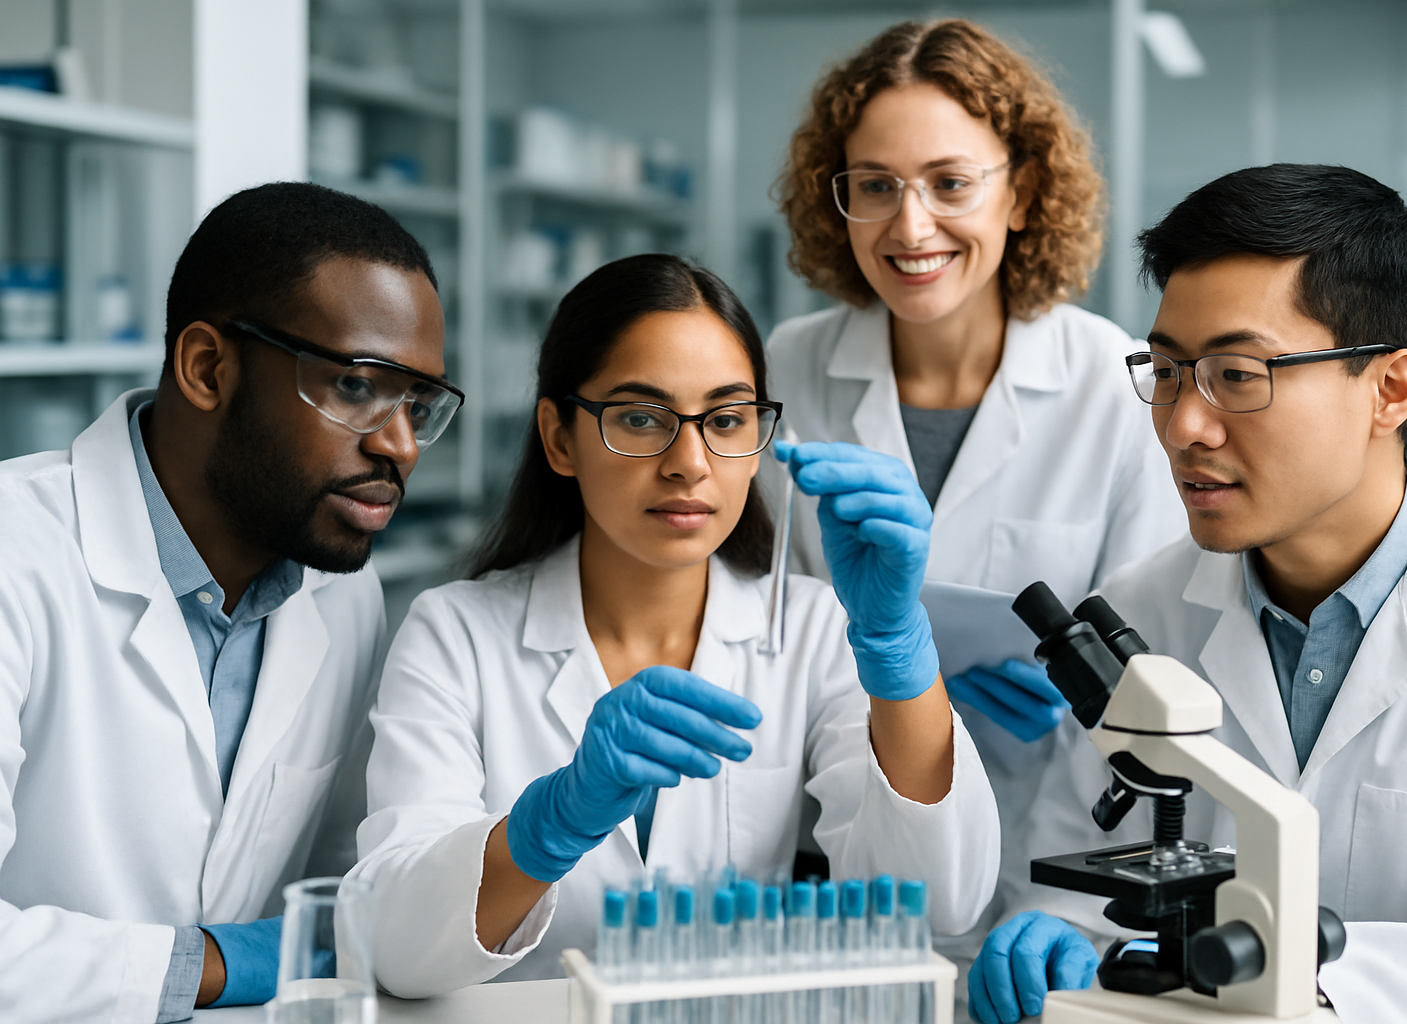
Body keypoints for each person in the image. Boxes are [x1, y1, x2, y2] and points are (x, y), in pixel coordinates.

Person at [351, 253, 1000, 994]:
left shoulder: (813, 629)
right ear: (559, 437)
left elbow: (941, 900)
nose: (689, 462)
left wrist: (898, 648)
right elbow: (394, 949)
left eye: (726, 419)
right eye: (639, 418)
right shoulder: (454, 635)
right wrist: (549, 827)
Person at [987, 164, 1407, 1023]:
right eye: (1166, 371)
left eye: (1237, 375)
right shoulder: (1143, 607)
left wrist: (1282, 981)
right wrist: (1056, 934)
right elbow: (1076, 879)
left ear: (1391, 388)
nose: (1182, 426)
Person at [766, 15, 1183, 1001]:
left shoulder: (1109, 383)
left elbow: (1161, 661)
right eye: (875, 185)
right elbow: (752, 620)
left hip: (1050, 865)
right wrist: (896, 688)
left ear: (1023, 189)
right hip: (835, 856)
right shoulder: (788, 366)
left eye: (951, 182)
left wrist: (1092, 701)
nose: (911, 228)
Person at [0, 182, 460, 1022]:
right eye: (358, 386)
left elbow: (336, 887)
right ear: (209, 368)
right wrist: (209, 963)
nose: (398, 444)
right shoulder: (14, 558)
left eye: (419, 405)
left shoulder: (339, 599)